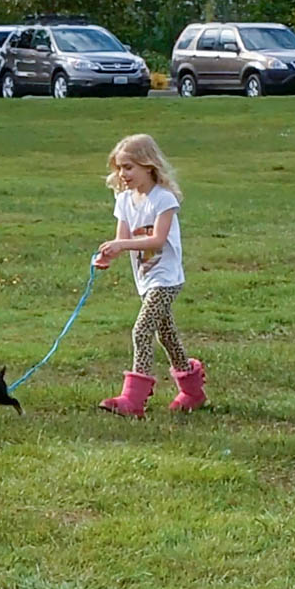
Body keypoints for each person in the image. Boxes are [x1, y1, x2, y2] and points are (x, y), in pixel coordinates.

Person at [92, 134, 206, 418]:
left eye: (129, 167)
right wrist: (108, 255)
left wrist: (121, 245)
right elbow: (123, 238)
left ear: (148, 165)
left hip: (166, 279)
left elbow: (157, 240)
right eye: (119, 168)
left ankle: (133, 400)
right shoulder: (124, 200)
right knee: (167, 335)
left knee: (142, 330)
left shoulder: (163, 199)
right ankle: (193, 392)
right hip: (145, 279)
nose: (123, 174)